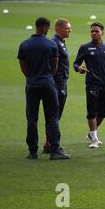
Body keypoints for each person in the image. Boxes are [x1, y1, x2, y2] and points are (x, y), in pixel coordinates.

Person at [17, 17, 70, 160]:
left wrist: (31, 77)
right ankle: (54, 150)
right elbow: (55, 67)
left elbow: (23, 67)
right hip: (48, 84)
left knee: (32, 119)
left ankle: (32, 152)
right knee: (52, 118)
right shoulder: (51, 45)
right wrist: (46, 77)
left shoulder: (24, 45)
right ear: (45, 27)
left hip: (32, 85)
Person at [73, 22, 105, 148]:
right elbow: (76, 63)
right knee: (91, 111)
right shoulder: (85, 47)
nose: (94, 33)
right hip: (92, 84)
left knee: (103, 112)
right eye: (92, 31)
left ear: (102, 32)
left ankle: (92, 132)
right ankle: (94, 139)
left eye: (97, 31)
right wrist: (79, 68)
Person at [43, 18, 71, 154]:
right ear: (59, 29)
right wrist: (55, 79)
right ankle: (51, 143)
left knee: (55, 115)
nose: (70, 30)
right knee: (54, 115)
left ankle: (49, 142)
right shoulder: (54, 43)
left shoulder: (60, 42)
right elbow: (50, 64)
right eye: (67, 28)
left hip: (61, 82)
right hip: (57, 83)